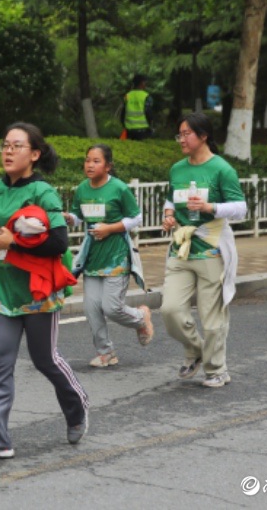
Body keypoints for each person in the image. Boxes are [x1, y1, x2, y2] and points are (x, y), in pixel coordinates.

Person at [0, 122, 89, 459]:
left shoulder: (43, 193)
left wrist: (15, 242)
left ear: (34, 154)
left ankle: (77, 406)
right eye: (5, 145)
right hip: (4, 294)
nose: (8, 151)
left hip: (39, 294)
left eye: (16, 146)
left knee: (45, 360)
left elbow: (58, 242)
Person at [159, 112, 247, 389]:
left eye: (186, 134)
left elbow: (241, 208)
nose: (181, 139)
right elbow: (170, 198)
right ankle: (195, 349)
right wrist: (169, 214)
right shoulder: (177, 169)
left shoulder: (222, 170)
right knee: (170, 310)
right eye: (179, 134)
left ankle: (217, 369)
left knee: (212, 321)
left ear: (203, 136)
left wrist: (211, 208)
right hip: (181, 248)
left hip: (211, 249)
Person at [65, 144, 153, 368]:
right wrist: (69, 218)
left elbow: (136, 217)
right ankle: (106, 353)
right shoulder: (82, 189)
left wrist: (110, 228)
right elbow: (78, 216)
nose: (90, 165)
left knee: (111, 307)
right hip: (92, 258)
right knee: (91, 308)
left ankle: (141, 318)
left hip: (117, 256)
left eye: (96, 161)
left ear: (108, 166)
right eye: (87, 160)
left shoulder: (119, 189)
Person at [120, 74, 154, 140]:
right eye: (145, 82)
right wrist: (150, 126)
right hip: (143, 130)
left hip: (129, 130)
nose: (145, 84)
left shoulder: (127, 95)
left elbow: (123, 113)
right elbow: (149, 113)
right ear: (142, 83)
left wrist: (124, 125)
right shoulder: (146, 96)